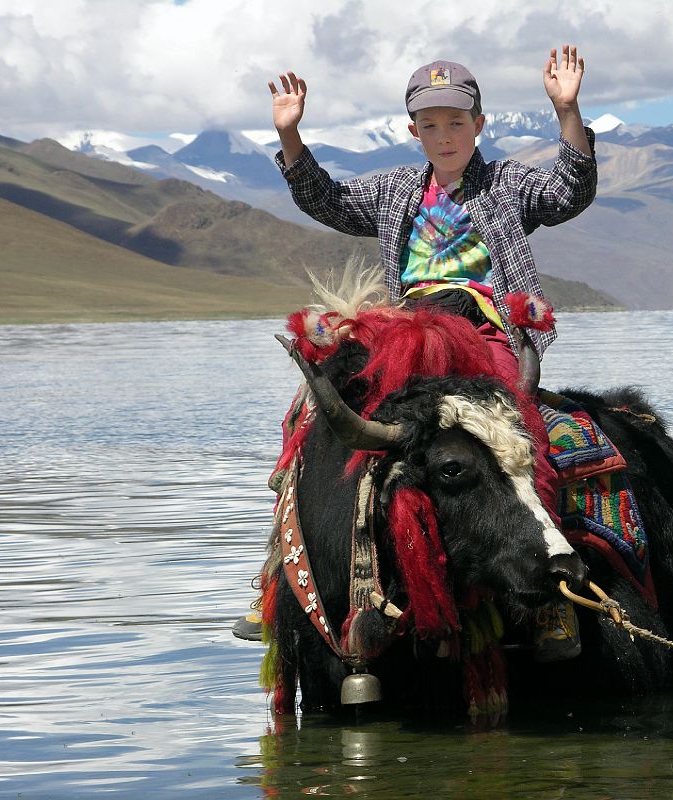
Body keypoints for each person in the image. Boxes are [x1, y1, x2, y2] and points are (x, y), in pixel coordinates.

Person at [239, 46, 597, 661]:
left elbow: (569, 190)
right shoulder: (394, 191)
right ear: (413, 132)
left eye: (457, 122)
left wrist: (567, 112)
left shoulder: (508, 185)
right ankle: (278, 579)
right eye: (430, 124)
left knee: (517, 426)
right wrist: (291, 137)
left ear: (479, 126)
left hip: (486, 332)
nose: (444, 134)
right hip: (405, 332)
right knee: (313, 412)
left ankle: (551, 596)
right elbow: (326, 201)